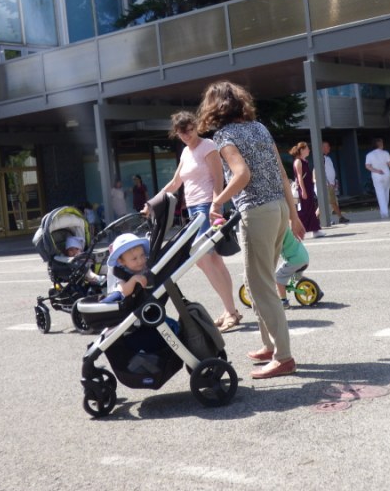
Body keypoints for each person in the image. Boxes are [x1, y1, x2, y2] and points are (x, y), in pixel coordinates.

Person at [197, 80, 305, 379]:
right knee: (259, 280)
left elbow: (242, 174)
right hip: (278, 208)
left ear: (214, 106)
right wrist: (294, 216)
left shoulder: (224, 135)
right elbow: (281, 173)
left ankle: (283, 358)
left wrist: (217, 201)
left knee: (261, 286)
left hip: (257, 212)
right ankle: (269, 346)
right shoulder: (259, 128)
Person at [159, 111, 240, 333]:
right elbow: (176, 182)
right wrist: (153, 201)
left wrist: (216, 205)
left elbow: (218, 178)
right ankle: (230, 309)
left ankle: (231, 311)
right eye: (181, 132)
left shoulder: (208, 146)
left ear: (196, 127)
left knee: (203, 259)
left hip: (206, 207)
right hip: (194, 210)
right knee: (213, 261)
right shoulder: (186, 152)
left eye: (190, 130)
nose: (187, 135)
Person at [101, 233, 178, 352]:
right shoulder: (121, 273)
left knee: (172, 325)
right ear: (122, 262)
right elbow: (124, 291)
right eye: (134, 259)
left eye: (142, 255)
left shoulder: (147, 267)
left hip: (147, 306)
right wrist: (132, 281)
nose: (140, 261)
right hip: (131, 309)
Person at [290, 142, 324, 238]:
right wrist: (303, 191)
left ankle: (314, 229)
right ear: (302, 150)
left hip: (308, 187)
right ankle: (297, 230)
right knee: (304, 211)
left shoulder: (304, 161)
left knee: (310, 209)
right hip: (304, 188)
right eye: (307, 148)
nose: (309, 150)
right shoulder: (298, 161)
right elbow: (299, 177)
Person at [365, 138, 390, 218]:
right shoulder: (385, 153)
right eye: (382, 143)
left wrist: (376, 171)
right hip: (386, 175)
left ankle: (384, 212)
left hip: (376, 176)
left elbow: (367, 166)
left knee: (380, 193)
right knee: (386, 192)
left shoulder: (369, 155)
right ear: (380, 144)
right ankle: (384, 210)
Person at [276, 227, 309, 309]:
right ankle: (315, 290)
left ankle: (283, 301)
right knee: (296, 276)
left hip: (294, 260)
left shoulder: (277, 231)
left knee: (278, 277)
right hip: (304, 257)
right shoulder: (286, 226)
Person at [317, 141, 349, 224]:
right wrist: (327, 182)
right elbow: (321, 171)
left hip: (331, 185)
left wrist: (333, 182)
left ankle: (340, 217)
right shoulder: (321, 158)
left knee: (332, 202)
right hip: (326, 185)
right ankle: (317, 218)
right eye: (327, 146)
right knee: (327, 203)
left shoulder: (327, 158)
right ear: (322, 148)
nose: (329, 148)